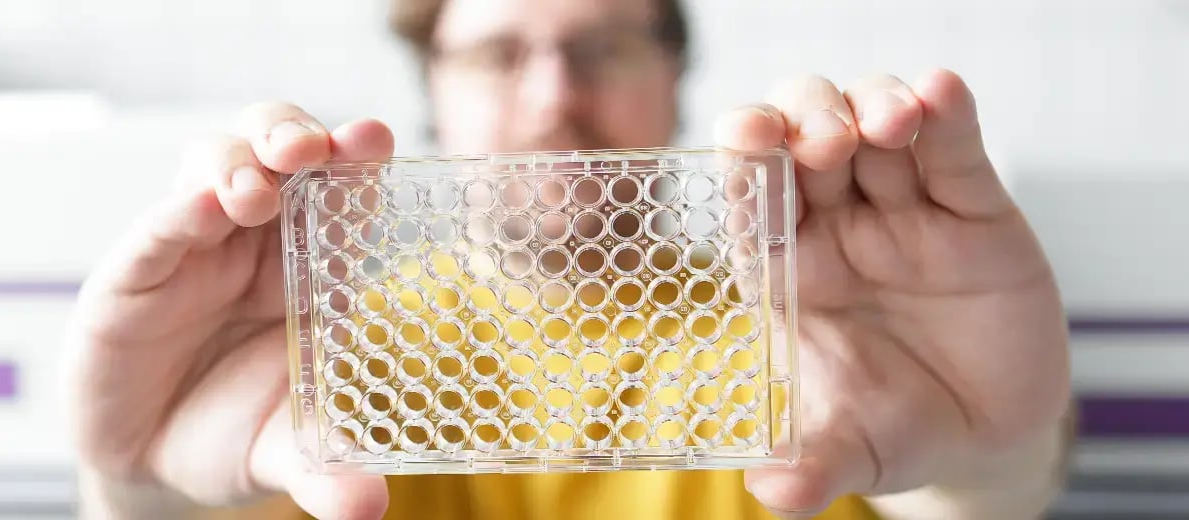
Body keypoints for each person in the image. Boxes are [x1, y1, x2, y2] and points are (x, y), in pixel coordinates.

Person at [63, 0, 1073, 518]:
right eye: (501, 54)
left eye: (603, 48)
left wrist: (996, 457)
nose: (553, 100)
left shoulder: (830, 334)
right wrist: (140, 493)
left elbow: (975, 496)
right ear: (433, 84)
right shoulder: (316, 363)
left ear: (675, 71)